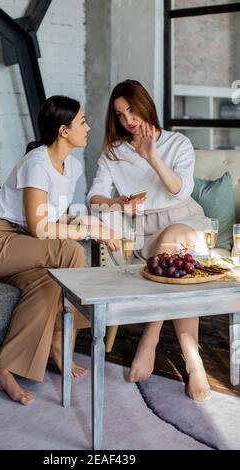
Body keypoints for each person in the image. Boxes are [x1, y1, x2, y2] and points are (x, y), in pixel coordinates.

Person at [0, 95, 120, 405]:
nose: (88, 127)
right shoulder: (36, 163)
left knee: (49, 283)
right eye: (82, 122)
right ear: (63, 130)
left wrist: (89, 222)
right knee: (71, 251)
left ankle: (1, 370)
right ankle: (62, 341)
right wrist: (86, 231)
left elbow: (55, 216)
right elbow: (40, 228)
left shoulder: (70, 166)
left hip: (20, 246)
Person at [88, 80, 211, 401]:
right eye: (119, 114)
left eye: (131, 109)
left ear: (145, 105)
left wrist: (152, 156)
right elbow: (94, 198)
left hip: (184, 220)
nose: (127, 119)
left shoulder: (177, 143)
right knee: (173, 268)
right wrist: (117, 203)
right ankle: (194, 361)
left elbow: (179, 190)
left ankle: (151, 335)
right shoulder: (114, 151)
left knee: (171, 243)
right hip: (142, 230)